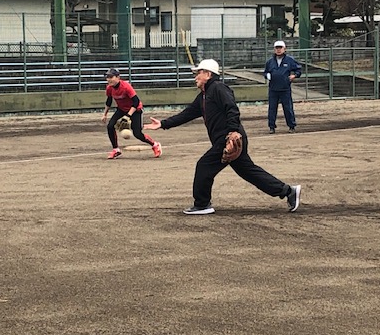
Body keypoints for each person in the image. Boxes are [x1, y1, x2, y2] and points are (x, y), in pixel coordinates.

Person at [143, 59, 301, 215]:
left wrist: (232, 132)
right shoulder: (204, 96)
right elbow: (187, 114)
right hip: (227, 139)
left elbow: (232, 108)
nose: (195, 77)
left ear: (208, 74)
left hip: (229, 139)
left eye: (198, 73)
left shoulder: (218, 88)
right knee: (249, 172)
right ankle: (288, 191)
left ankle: (202, 204)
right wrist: (163, 123)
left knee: (204, 166)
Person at [102, 68, 162, 160]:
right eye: (107, 77)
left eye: (111, 77)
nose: (109, 79)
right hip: (121, 109)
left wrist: (128, 115)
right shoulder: (109, 88)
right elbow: (109, 100)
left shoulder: (126, 86)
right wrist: (105, 114)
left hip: (135, 110)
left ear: (118, 77)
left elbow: (136, 101)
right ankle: (116, 149)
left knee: (137, 133)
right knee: (110, 126)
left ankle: (155, 145)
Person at [263, 40, 302, 134]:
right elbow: (265, 71)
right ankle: (271, 127)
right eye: (277, 48)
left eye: (280, 48)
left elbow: (298, 69)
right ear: (274, 50)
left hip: (285, 88)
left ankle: (291, 126)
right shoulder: (270, 62)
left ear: (284, 49)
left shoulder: (289, 60)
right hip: (273, 89)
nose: (278, 50)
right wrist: (267, 75)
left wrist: (294, 75)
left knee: (288, 108)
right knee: (272, 109)